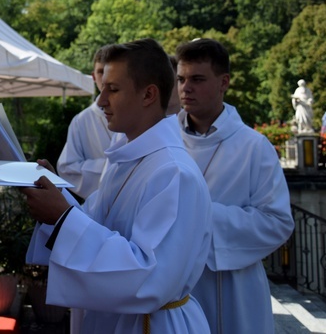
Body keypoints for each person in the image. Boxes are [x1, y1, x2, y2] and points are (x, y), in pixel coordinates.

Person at [22, 38, 213, 333]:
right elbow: (97, 225)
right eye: (102, 89)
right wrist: (57, 198)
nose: (100, 102)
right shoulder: (125, 159)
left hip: (153, 322)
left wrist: (62, 219)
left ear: (149, 94)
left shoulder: (173, 173)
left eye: (113, 89)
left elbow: (149, 278)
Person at [175, 38, 294, 334]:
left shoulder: (254, 147)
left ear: (223, 82)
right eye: (181, 79)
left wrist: (200, 216)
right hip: (172, 286)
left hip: (233, 289)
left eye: (197, 79)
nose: (185, 88)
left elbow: (278, 222)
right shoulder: (163, 139)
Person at [55, 46, 113, 199]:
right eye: (101, 72)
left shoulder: (135, 113)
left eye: (110, 71)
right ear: (93, 76)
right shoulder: (81, 121)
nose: (106, 78)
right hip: (98, 202)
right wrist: (110, 167)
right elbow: (67, 168)